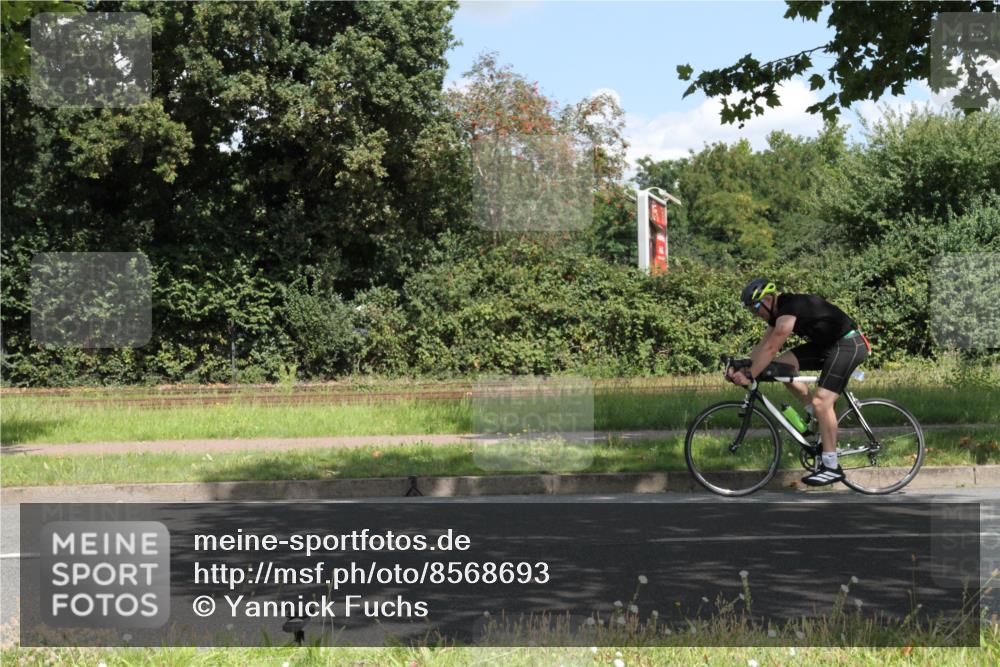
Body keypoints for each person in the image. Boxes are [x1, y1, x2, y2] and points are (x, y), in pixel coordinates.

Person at [727, 279, 871, 486]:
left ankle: (831, 466)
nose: (755, 313)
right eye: (751, 310)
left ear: (768, 299)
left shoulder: (790, 308)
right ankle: (814, 414)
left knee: (824, 401)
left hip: (849, 344)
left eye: (755, 307)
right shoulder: (777, 315)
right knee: (780, 368)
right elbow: (762, 347)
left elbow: (771, 349)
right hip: (827, 346)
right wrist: (744, 366)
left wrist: (750, 375)